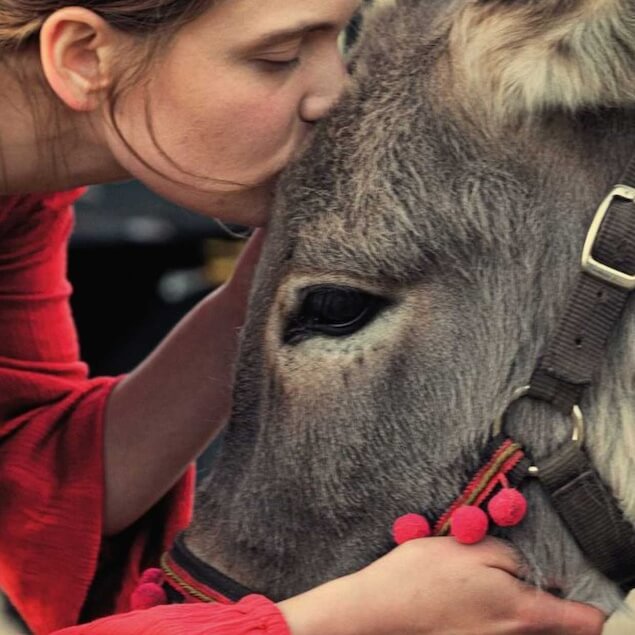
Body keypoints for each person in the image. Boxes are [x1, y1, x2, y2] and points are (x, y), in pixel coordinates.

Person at [0, 1, 606, 634]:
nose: (333, 97)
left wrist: (257, 294)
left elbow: (30, 484)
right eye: (278, 59)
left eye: (338, 40)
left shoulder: (20, 201)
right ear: (82, 57)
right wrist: (336, 621)